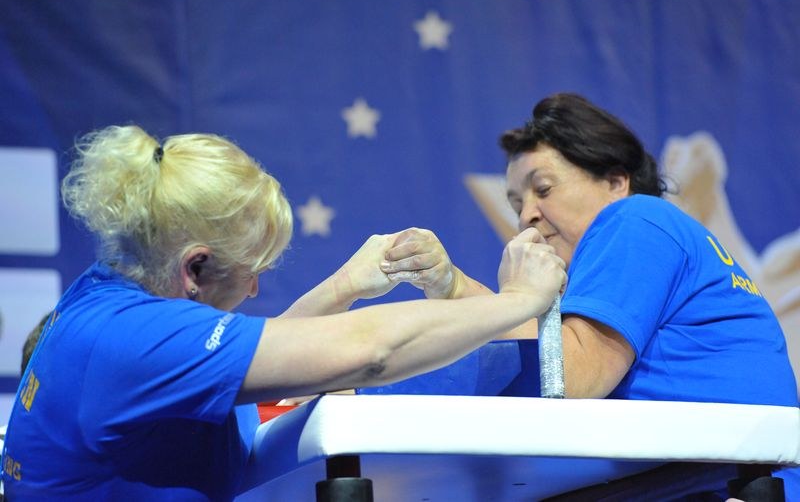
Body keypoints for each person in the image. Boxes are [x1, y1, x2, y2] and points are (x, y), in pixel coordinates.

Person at [0, 125, 565, 500]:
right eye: (252, 270)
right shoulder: (130, 339)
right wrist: (520, 301)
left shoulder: (105, 300)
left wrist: (345, 285)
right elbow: (370, 353)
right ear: (194, 268)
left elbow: (248, 359)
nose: (253, 291)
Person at [380, 92, 797, 406]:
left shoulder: (636, 220)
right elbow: (549, 356)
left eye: (543, 189)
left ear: (616, 183)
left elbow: (569, 379)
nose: (526, 216)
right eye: (515, 204)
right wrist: (454, 286)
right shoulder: (647, 245)